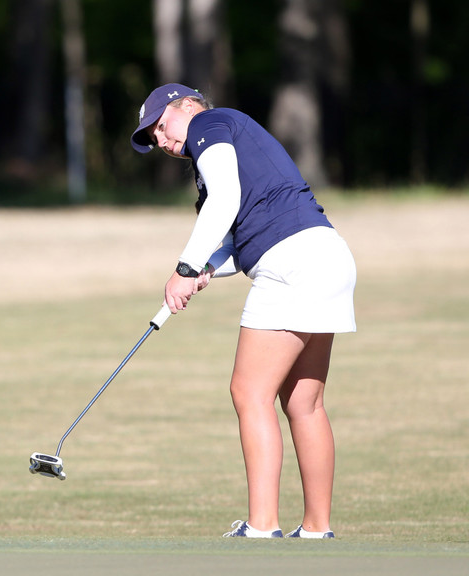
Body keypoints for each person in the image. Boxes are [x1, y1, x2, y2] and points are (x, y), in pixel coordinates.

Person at [130, 83, 356, 539]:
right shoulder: (224, 142)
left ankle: (261, 525)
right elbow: (239, 238)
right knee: (303, 403)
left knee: (249, 393)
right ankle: (316, 529)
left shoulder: (209, 125)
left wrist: (184, 267)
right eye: (152, 136)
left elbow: (225, 201)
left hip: (291, 264)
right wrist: (207, 268)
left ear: (186, 106)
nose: (159, 139)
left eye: (159, 124)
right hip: (327, 256)